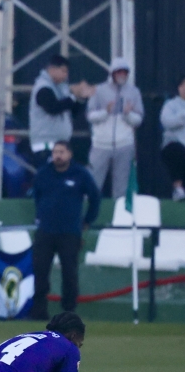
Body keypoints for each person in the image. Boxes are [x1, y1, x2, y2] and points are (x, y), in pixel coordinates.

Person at [30, 140, 100, 320]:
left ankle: (68, 311)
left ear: (69, 154)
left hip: (69, 233)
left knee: (69, 273)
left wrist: (87, 220)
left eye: (61, 152)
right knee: (40, 271)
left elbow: (95, 197)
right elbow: (37, 196)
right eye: (55, 152)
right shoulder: (43, 174)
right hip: (45, 231)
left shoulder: (80, 174)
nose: (57, 155)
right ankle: (39, 310)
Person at [86, 57, 143, 198]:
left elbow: (139, 119)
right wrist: (106, 112)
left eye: (125, 72)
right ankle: (88, 215)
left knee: (122, 186)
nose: (122, 75)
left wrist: (127, 114)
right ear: (112, 73)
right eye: (119, 72)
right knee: (93, 182)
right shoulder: (99, 90)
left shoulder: (134, 92)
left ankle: (120, 217)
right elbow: (90, 116)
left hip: (124, 144)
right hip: (101, 144)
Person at [28, 53, 92, 168]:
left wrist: (80, 98)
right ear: (52, 69)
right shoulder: (43, 88)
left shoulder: (61, 88)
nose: (65, 75)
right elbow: (53, 108)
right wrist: (72, 96)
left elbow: (71, 111)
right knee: (49, 178)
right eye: (63, 71)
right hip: (46, 145)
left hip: (61, 144)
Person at [161, 76, 185, 201]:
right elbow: (166, 122)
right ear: (179, 87)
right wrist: (182, 117)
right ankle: (178, 189)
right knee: (178, 151)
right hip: (173, 145)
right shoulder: (171, 105)